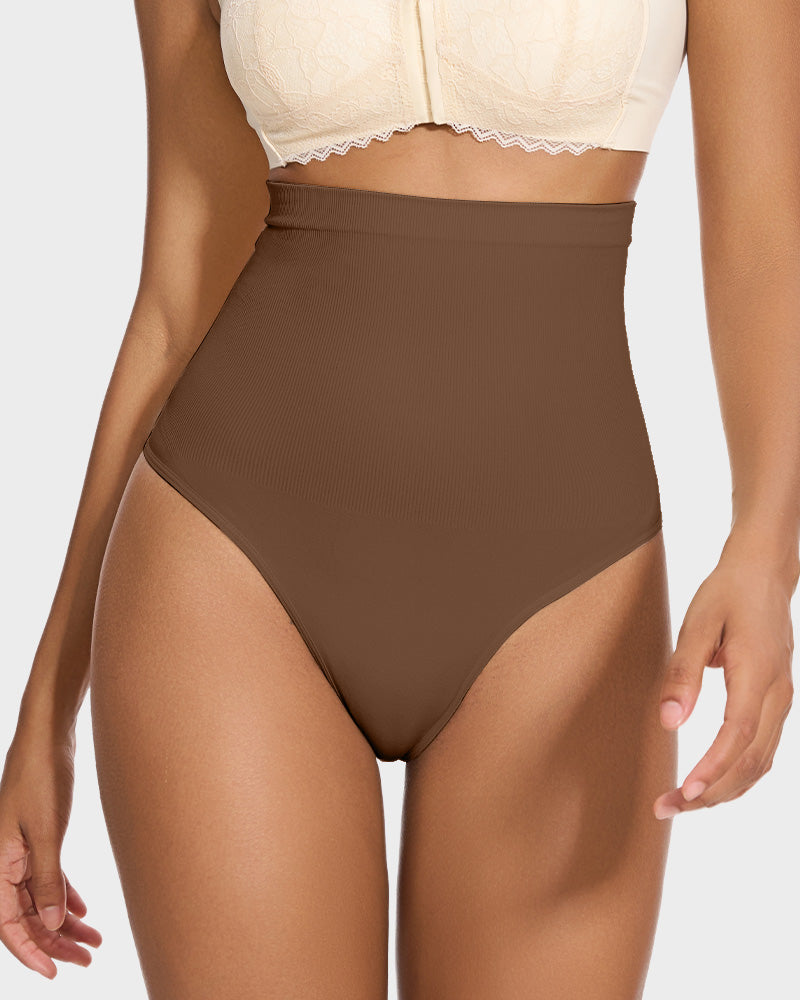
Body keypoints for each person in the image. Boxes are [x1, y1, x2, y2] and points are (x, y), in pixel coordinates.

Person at [1, 0, 797, 996]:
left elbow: (765, 239)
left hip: (565, 580)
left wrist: (765, 549)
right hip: (228, 552)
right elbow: (178, 288)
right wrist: (48, 710)